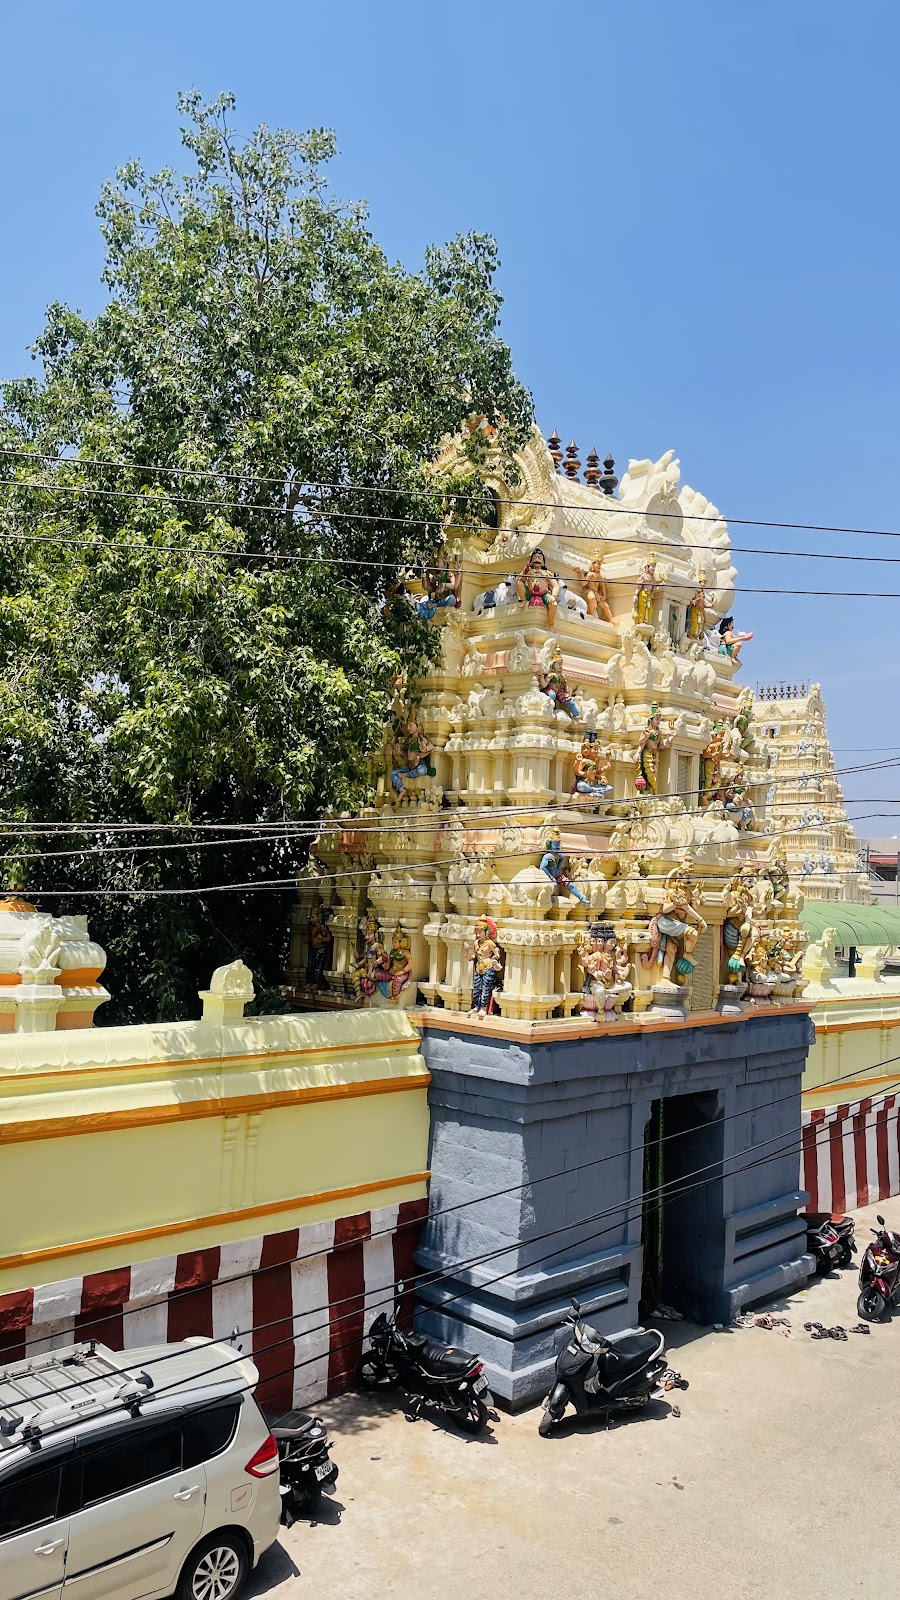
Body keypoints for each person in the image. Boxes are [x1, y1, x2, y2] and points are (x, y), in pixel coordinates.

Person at [465, 916, 504, 1016]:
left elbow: (497, 953)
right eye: (477, 932)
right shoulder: (476, 943)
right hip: (479, 968)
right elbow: (475, 955)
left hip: (488, 967)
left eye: (480, 932)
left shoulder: (490, 943)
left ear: (486, 932)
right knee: (477, 988)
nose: (478, 935)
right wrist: (467, 955)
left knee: (486, 988)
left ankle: (483, 1008)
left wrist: (495, 960)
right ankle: (476, 1006)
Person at [539, 836, 589, 905]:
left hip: (556, 875)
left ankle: (581, 898)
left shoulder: (558, 856)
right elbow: (542, 867)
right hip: (548, 876)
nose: (557, 846)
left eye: (558, 844)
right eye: (555, 844)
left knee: (570, 884)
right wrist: (550, 877)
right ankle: (549, 897)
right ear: (550, 845)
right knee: (554, 884)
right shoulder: (547, 856)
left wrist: (558, 868)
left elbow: (562, 858)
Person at [633, 706, 672, 794]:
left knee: (654, 774)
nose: (659, 722)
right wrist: (638, 753)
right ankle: (654, 791)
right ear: (651, 720)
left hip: (655, 755)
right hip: (647, 754)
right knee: (649, 773)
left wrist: (670, 738)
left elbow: (661, 744)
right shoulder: (648, 732)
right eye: (657, 719)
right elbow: (641, 743)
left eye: (659, 719)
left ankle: (652, 791)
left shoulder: (659, 732)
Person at [389, 719, 435, 793]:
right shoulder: (408, 741)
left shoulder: (421, 739)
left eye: (410, 725)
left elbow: (431, 747)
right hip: (409, 766)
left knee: (421, 771)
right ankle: (401, 789)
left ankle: (406, 774)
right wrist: (399, 750)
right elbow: (405, 755)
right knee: (392, 774)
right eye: (408, 725)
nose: (408, 728)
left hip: (420, 765)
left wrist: (424, 750)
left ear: (417, 727)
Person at [516, 548, 559, 626]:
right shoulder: (529, 572)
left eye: (539, 558)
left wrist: (553, 596)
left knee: (554, 604)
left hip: (544, 594)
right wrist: (525, 572)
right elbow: (521, 581)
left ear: (543, 562)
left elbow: (555, 585)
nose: (537, 559)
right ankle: (523, 600)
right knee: (519, 582)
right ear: (531, 561)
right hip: (530, 593)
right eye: (535, 557)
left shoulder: (546, 573)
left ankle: (550, 622)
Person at [416, 549, 460, 620]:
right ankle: (423, 617)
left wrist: (444, 584)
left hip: (446, 599)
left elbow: (454, 586)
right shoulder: (435, 576)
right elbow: (432, 589)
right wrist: (424, 577)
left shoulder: (448, 574)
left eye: (438, 562)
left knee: (452, 599)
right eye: (436, 562)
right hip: (436, 600)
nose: (436, 564)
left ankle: (435, 605)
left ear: (444, 563)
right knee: (419, 606)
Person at [538, 647, 580, 719]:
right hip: (551, 691)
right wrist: (541, 676)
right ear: (553, 665)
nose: (561, 666)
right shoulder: (551, 675)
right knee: (552, 695)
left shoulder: (561, 676)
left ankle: (577, 717)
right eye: (559, 664)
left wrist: (566, 692)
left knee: (571, 702)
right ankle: (548, 711)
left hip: (559, 692)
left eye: (561, 664)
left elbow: (565, 685)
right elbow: (544, 685)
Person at [572, 732, 613, 800]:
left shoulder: (594, 762)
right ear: (589, 749)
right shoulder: (584, 761)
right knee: (581, 786)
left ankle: (594, 790)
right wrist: (586, 774)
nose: (596, 751)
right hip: (584, 783)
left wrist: (603, 772)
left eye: (597, 749)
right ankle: (595, 790)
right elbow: (577, 772)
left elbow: (595, 773)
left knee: (609, 788)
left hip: (592, 784)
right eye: (594, 749)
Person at [574, 557, 614, 622]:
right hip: (589, 591)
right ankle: (590, 614)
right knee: (592, 598)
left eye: (600, 565)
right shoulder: (590, 574)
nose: (599, 566)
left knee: (605, 605)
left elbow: (602, 586)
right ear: (592, 565)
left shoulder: (600, 576)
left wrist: (604, 596)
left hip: (596, 593)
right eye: (597, 564)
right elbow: (583, 584)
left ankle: (611, 619)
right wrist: (580, 573)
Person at [632, 557, 661, 625]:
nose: (654, 569)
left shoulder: (653, 579)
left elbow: (653, 589)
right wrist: (635, 595)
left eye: (654, 567)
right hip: (643, 593)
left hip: (649, 595)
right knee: (642, 607)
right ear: (647, 567)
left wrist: (660, 588)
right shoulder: (644, 576)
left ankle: (646, 621)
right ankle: (641, 621)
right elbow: (639, 586)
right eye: (652, 566)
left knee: (649, 609)